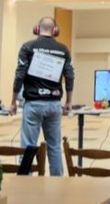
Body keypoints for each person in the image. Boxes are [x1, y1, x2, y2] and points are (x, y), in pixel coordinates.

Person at [10, 16, 75, 176]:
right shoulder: (63, 49)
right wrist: (69, 101)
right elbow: (70, 76)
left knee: (27, 147)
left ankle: (26, 183)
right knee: (54, 146)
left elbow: (19, 75)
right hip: (54, 104)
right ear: (55, 31)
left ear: (37, 29)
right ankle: (57, 183)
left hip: (33, 103)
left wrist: (13, 101)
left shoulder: (28, 47)